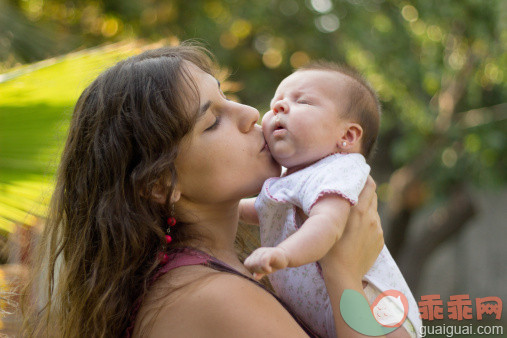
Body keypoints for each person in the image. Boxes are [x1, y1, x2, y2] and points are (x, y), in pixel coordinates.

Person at [21, 44, 384, 337]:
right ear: (160, 184)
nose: (250, 114)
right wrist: (343, 272)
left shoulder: (204, 277)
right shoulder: (213, 298)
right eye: (212, 121)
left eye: (226, 96)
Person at [241, 62, 421, 337]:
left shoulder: (338, 170)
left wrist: (284, 254)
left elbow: (327, 224)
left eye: (303, 101)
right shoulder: (291, 180)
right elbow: (261, 210)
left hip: (379, 312)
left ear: (347, 136)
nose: (279, 107)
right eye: (275, 102)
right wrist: (225, 207)